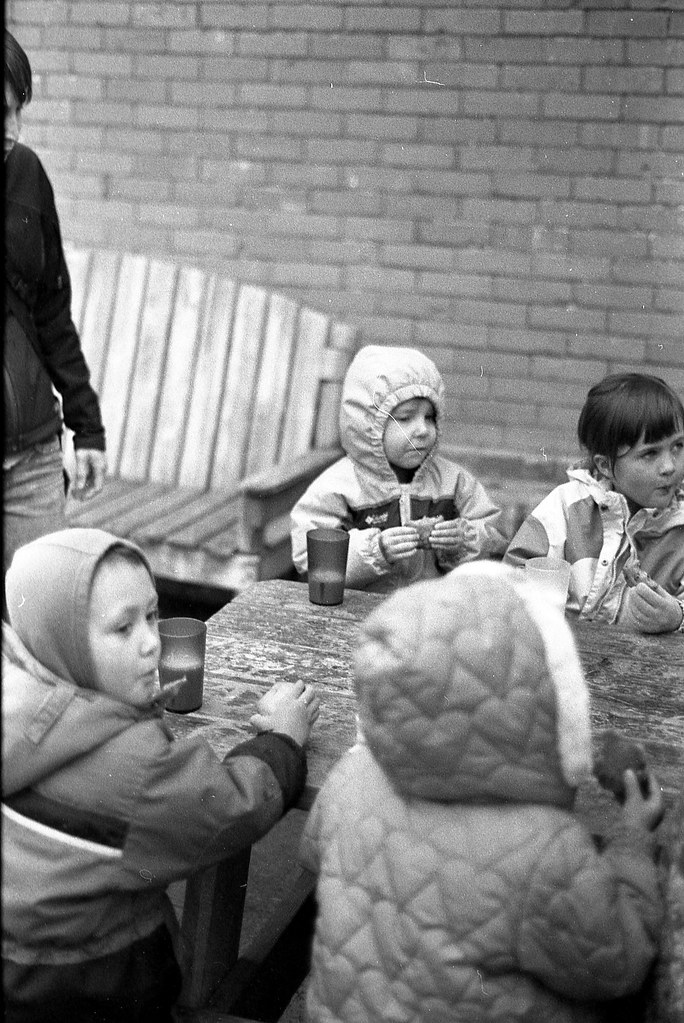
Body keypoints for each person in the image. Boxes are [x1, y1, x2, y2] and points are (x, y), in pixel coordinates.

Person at [300, 562, 664, 1023]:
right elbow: (618, 963)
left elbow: (313, 853)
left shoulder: (352, 774)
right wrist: (631, 839)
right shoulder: (546, 847)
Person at [2, 528, 320, 1023]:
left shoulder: (18, 699)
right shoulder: (134, 766)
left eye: (152, 614)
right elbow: (228, 807)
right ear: (61, 637)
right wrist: (282, 740)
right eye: (122, 628)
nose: (152, 642)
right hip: (96, 992)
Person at [4, 31, 106, 584]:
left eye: (17, 111)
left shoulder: (27, 173)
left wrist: (86, 427)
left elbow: (51, 311)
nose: (12, 131)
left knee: (39, 624)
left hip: (35, 460)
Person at [290, 344, 503, 593]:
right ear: (368, 423)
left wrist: (464, 541)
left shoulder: (455, 482)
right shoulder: (338, 487)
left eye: (429, 417)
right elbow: (311, 559)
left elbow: (496, 544)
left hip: (432, 609)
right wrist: (374, 551)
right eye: (405, 418)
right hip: (356, 614)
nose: (422, 430)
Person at [504, 372, 684, 633]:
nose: (669, 466)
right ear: (604, 465)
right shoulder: (566, 508)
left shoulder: (679, 526)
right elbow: (514, 577)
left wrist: (677, 616)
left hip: (647, 670)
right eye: (650, 453)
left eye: (678, 446)